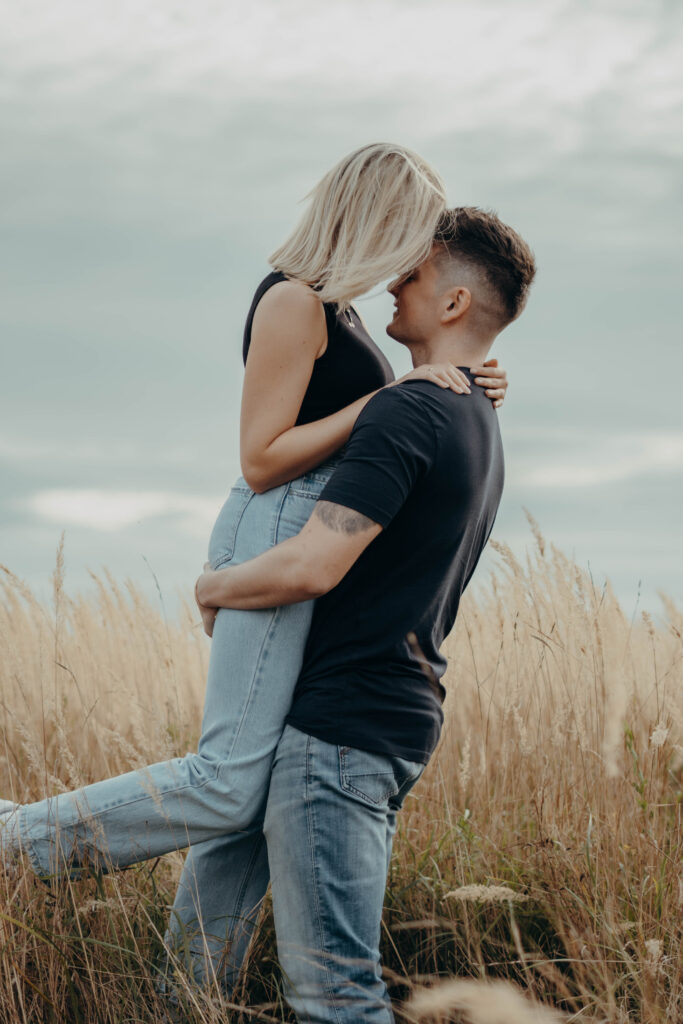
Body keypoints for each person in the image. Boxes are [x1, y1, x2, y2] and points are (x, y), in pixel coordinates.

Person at [0, 146, 509, 990]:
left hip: (302, 522)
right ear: (373, 219)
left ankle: (186, 994)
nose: (414, 258)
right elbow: (261, 455)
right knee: (230, 782)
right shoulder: (293, 300)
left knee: (252, 784)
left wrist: (453, 378)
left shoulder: (341, 313)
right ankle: (17, 841)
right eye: (411, 232)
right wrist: (389, 398)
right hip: (274, 519)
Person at [196, 205, 537, 1023]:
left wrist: (215, 587)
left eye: (413, 273)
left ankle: (24, 840)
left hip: (340, 731)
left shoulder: (409, 409)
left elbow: (313, 564)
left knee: (335, 996)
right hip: (386, 717)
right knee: (197, 968)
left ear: (453, 304)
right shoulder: (476, 418)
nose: (393, 279)